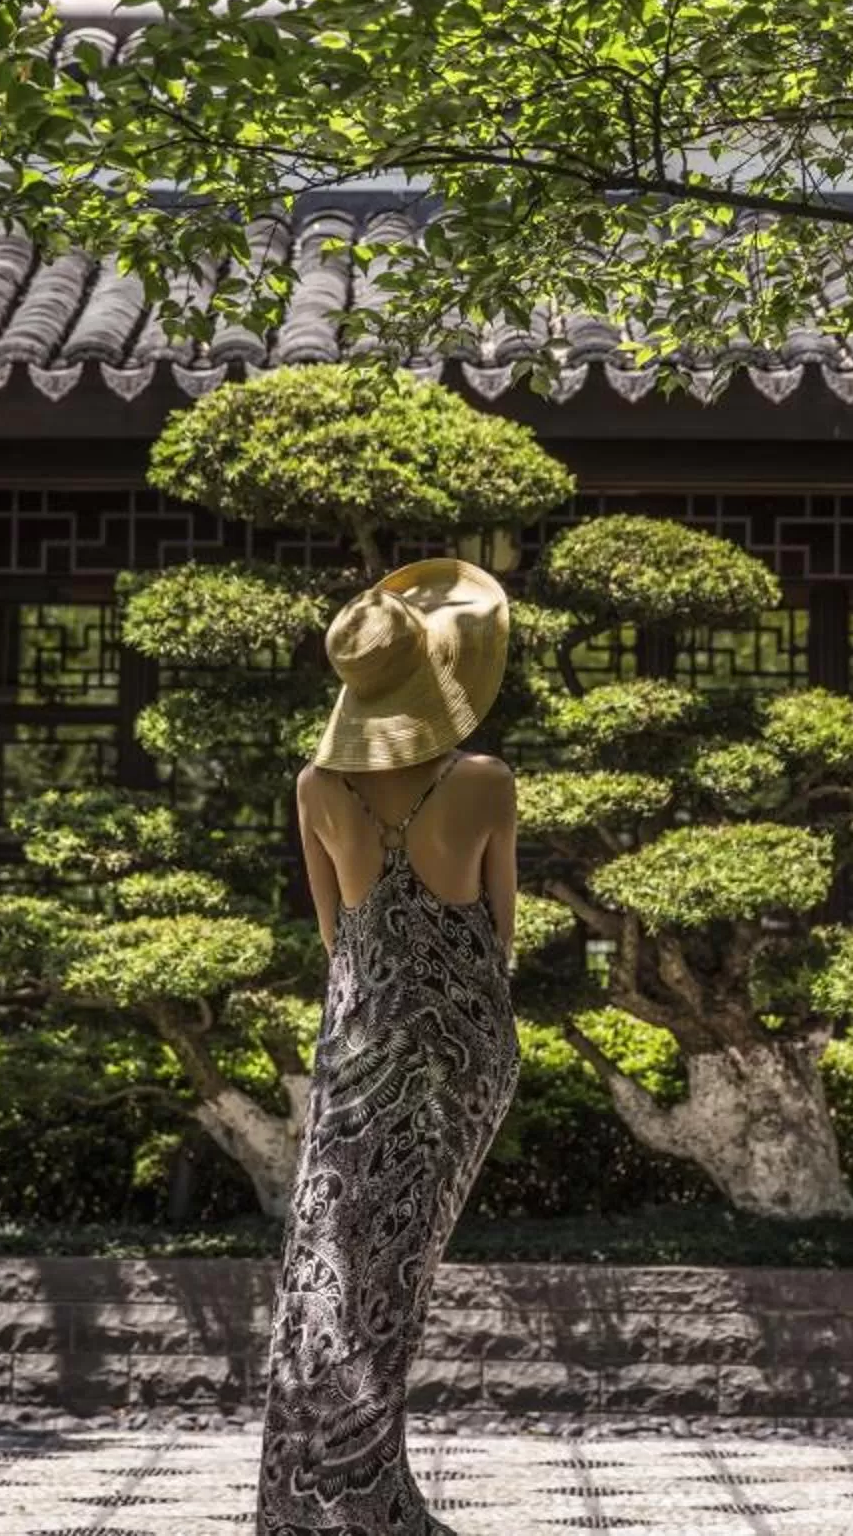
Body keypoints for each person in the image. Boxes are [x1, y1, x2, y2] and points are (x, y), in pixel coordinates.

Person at [255, 556, 522, 1536]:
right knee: (398, 1261)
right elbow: (500, 934)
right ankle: (371, 1495)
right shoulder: (485, 779)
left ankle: (324, 1494)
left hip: (361, 1041)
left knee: (335, 1258)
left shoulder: (318, 785)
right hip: (460, 1047)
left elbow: (339, 937)